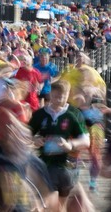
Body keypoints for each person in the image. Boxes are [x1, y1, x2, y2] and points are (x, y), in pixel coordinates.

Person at [0, 106, 59, 211]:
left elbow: (51, 197)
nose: (12, 131)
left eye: (13, 125)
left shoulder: (35, 162)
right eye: (6, 128)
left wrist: (40, 206)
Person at [28, 80, 93, 211]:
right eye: (54, 96)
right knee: (46, 201)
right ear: (49, 95)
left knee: (61, 204)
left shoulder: (74, 114)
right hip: (46, 164)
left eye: (61, 97)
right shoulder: (40, 114)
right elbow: (25, 134)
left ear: (67, 95)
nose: (57, 100)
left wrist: (70, 145)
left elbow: (86, 140)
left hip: (67, 166)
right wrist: (34, 139)